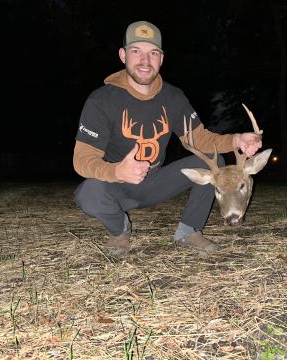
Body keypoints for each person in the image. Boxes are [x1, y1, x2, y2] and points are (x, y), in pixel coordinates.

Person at [73, 20, 262, 256]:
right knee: (87, 193)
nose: (145, 60)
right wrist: (117, 172)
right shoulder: (101, 100)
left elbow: (199, 139)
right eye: (136, 51)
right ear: (123, 55)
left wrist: (236, 140)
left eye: (153, 53)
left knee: (211, 162)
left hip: (155, 183)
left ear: (161, 59)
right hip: (116, 186)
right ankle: (119, 231)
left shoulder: (173, 97)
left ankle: (189, 231)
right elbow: (82, 160)